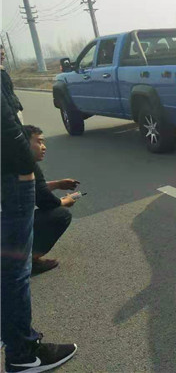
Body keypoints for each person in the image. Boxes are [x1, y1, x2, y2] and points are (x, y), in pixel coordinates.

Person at [1, 69, 77, 371]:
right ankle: (23, 355)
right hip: (11, 177)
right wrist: (26, 168)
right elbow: (7, 128)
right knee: (13, 272)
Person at [23, 125, 79, 274]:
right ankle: (28, 261)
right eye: (39, 142)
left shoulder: (8, 159)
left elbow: (31, 188)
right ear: (22, 142)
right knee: (60, 214)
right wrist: (66, 201)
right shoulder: (27, 164)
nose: (44, 147)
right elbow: (45, 201)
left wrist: (58, 184)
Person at [0, 44, 24, 123]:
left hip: (13, 111)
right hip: (10, 116)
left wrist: (18, 106)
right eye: (1, 54)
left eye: (3, 54)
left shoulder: (2, 71)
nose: (3, 57)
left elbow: (10, 92)